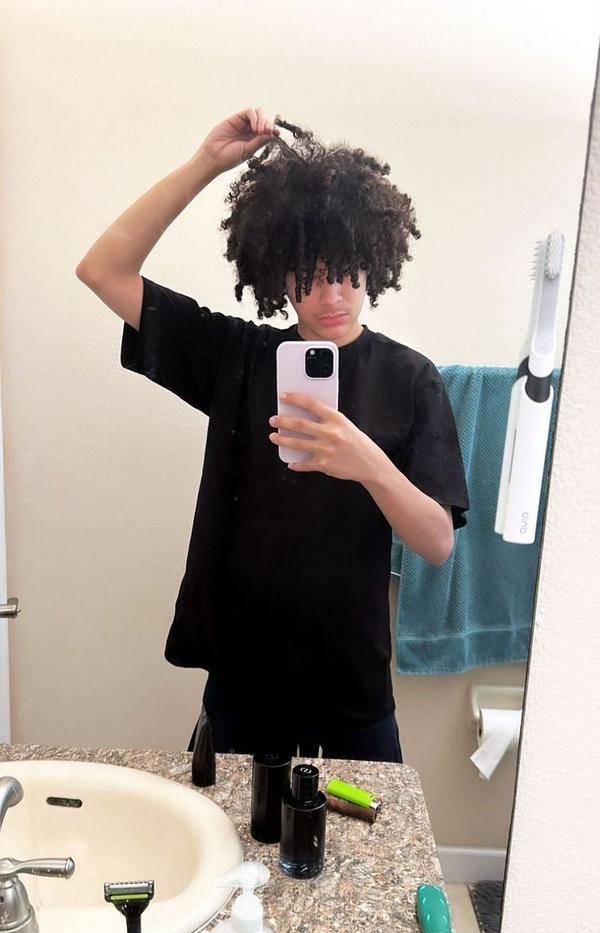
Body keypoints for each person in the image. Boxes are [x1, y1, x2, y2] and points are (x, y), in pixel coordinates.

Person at [76, 106, 469, 764]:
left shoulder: (410, 378)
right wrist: (206, 164)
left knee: (369, 830)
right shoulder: (239, 357)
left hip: (352, 686)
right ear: (277, 271)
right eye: (308, 272)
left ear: (373, 262)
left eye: (346, 269)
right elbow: (103, 270)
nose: (331, 293)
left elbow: (436, 544)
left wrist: (368, 463)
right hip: (243, 680)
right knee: (229, 829)